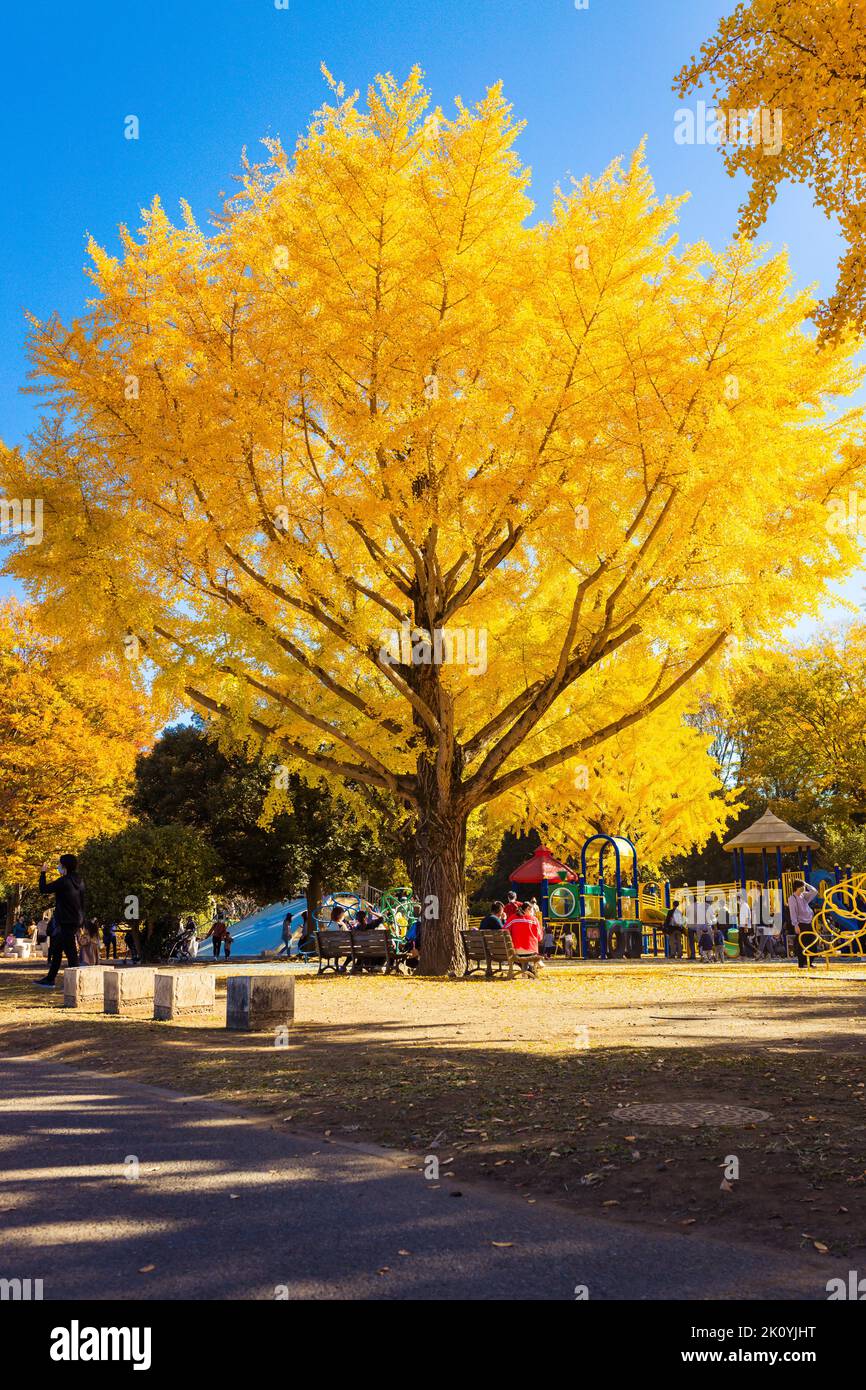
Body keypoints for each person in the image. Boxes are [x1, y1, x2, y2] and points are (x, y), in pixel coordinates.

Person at [37, 855, 86, 988]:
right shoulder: (80, 881)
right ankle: (50, 979)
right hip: (75, 920)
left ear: (64, 867)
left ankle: (75, 984)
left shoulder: (64, 881)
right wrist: (82, 920)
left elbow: (43, 889)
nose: (58, 867)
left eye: (60, 865)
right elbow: (82, 903)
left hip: (65, 921)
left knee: (71, 952)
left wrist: (43, 872)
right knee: (57, 950)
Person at [788, 880, 819, 969]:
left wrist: (806, 884)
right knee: (802, 943)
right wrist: (795, 925)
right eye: (802, 886)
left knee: (812, 942)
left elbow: (814, 891)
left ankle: (809, 961)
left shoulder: (803, 895)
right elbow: (793, 912)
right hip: (801, 923)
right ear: (797, 887)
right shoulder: (792, 898)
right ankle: (802, 963)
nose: (804, 888)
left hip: (809, 922)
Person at [504, 903, 541, 977]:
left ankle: (526, 969)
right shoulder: (534, 920)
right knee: (529, 952)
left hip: (514, 951)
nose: (533, 912)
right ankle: (527, 969)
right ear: (528, 909)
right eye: (533, 910)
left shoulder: (512, 918)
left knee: (520, 953)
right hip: (530, 951)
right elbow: (540, 937)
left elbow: (504, 930)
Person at [738, 893, 754, 959]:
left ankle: (757, 952)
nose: (737, 900)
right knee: (741, 940)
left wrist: (746, 927)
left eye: (738, 899)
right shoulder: (743, 905)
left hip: (744, 926)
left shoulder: (744, 905)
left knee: (745, 942)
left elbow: (746, 917)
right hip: (743, 926)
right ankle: (742, 954)